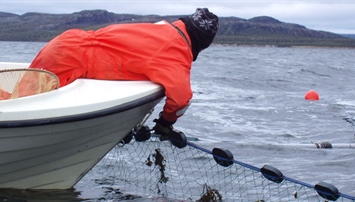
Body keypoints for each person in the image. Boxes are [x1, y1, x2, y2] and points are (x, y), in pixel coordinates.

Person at [28, 8, 219, 146]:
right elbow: (180, 99)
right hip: (67, 60)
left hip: (65, 44)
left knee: (18, 99)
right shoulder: (175, 52)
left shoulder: (160, 29)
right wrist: (165, 124)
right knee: (25, 105)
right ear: (201, 43)